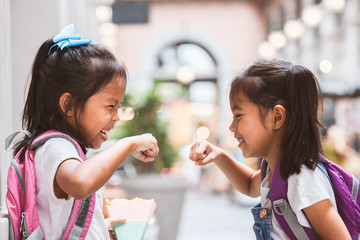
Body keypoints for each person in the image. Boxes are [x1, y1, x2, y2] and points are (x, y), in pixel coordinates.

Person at [13, 24, 159, 239]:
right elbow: (80, 183)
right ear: (69, 105)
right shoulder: (55, 145)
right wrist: (128, 144)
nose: (117, 116)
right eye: (110, 106)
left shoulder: (60, 148)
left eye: (119, 107)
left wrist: (104, 228)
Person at [189, 59, 351, 239]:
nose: (232, 126)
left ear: (276, 117)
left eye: (238, 115)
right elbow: (250, 184)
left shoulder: (302, 180)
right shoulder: (276, 170)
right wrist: (219, 155)